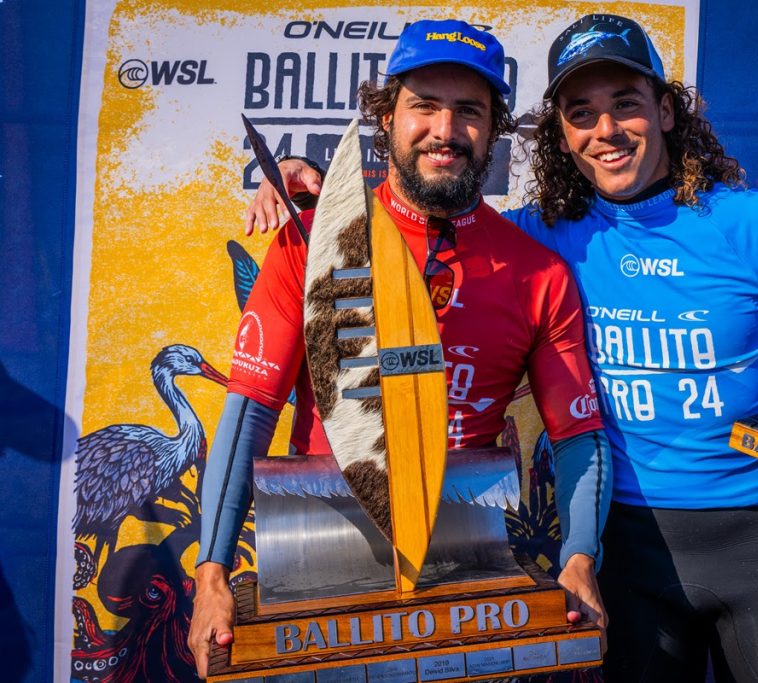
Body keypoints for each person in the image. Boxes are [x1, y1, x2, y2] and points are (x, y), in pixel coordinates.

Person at [247, 14, 758, 682]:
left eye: (626, 103)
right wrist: (318, 185)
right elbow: (425, 213)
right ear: (560, 133)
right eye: (580, 113)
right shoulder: (543, 239)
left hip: (753, 542)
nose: (606, 130)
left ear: (666, 111)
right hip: (622, 547)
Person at [187, 19, 611, 679]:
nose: (445, 129)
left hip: (467, 579)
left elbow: (579, 432)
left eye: (468, 110)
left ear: (494, 128)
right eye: (424, 106)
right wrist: (210, 571)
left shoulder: (539, 273)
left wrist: (581, 557)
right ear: (386, 117)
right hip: (317, 563)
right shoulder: (310, 246)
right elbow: (250, 411)